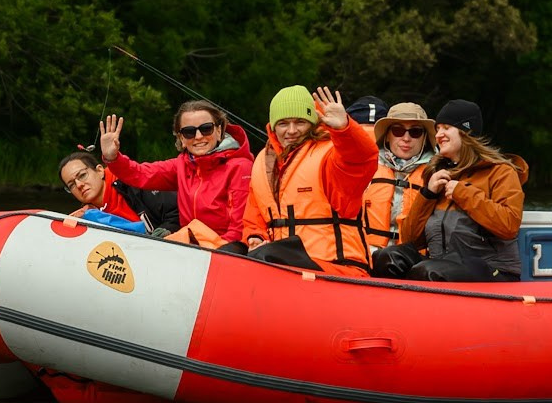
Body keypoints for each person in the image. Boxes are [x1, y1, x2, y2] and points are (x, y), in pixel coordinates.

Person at [377, 100, 526, 281]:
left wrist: (463, 193)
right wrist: (428, 194)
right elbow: (411, 240)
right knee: (386, 258)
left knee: (428, 271)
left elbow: (509, 225)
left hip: (493, 269)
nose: (439, 135)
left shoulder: (500, 171)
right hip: (442, 263)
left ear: (466, 133)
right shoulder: (437, 174)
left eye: (446, 128)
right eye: (438, 128)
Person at [236, 84, 378, 272]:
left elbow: (361, 159)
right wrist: (256, 237)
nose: (292, 130)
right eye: (283, 123)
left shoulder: (331, 155)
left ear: (312, 124)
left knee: (266, 257)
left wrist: (345, 129)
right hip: (285, 264)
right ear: (273, 127)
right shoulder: (264, 161)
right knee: (231, 251)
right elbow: (254, 218)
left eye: (300, 122)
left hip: (337, 267)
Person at [98, 100, 252, 248]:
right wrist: (113, 157)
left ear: (219, 131)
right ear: (181, 139)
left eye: (206, 128)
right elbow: (140, 174)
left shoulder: (240, 167)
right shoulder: (181, 165)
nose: (198, 136)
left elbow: (239, 229)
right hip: (192, 250)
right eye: (189, 132)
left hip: (226, 253)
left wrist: (210, 252)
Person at [360, 101, 437, 254]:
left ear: (424, 138)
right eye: (398, 130)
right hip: (366, 255)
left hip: (415, 260)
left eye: (415, 132)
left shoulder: (436, 172)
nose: (406, 138)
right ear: (387, 136)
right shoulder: (364, 167)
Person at [57, 148, 151, 236]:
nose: (78, 185)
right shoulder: (85, 216)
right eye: (71, 185)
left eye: (82, 175)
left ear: (99, 171)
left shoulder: (131, 182)